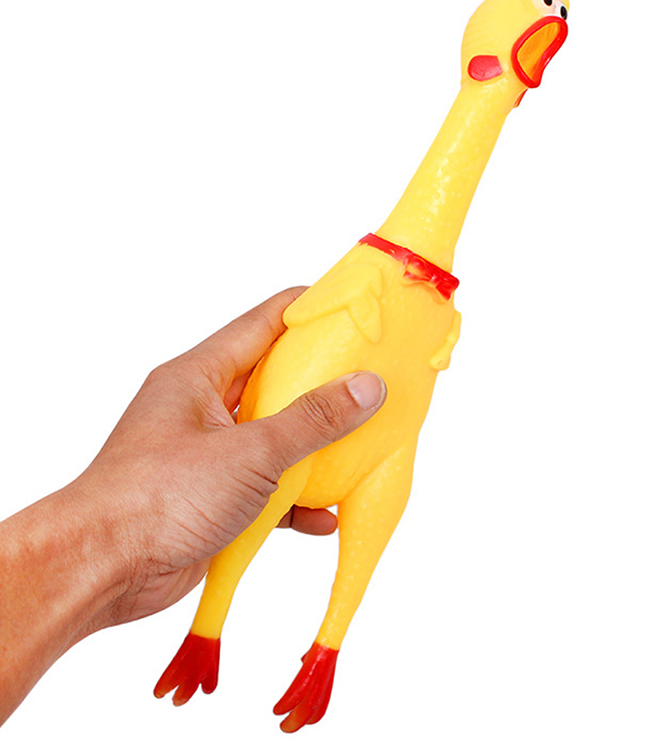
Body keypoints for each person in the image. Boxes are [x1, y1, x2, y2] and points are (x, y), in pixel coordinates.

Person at [0, 287, 387, 726]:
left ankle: (321, 650)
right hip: (298, 456)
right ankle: (208, 630)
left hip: (381, 460)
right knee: (250, 537)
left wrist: (117, 542)